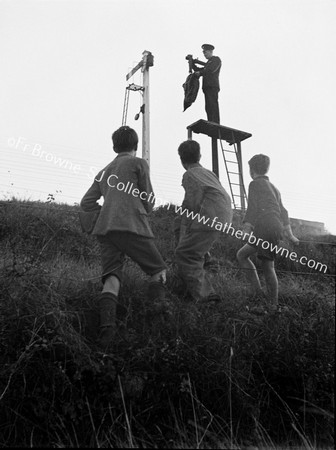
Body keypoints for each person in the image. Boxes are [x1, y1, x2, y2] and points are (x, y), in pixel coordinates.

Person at [80, 126, 167, 349]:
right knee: (158, 271)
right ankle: (157, 329)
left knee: (111, 278)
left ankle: (107, 335)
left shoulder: (104, 171)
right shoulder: (138, 163)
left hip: (106, 231)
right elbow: (148, 199)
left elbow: (86, 203)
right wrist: (144, 208)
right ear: (135, 146)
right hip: (132, 226)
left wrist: (105, 214)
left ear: (114, 146)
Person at [236, 154, 299, 310]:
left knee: (268, 266)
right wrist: (290, 234)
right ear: (266, 168)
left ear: (251, 170)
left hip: (265, 226)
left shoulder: (254, 184)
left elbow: (252, 208)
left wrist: (246, 229)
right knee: (242, 255)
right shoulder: (275, 189)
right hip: (273, 226)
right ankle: (257, 293)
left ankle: (272, 306)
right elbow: (284, 212)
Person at [174, 140, 232, 303]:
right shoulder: (208, 172)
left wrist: (185, 231)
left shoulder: (189, 175)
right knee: (194, 245)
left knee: (185, 254)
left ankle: (207, 296)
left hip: (209, 214)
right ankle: (209, 266)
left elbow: (192, 204)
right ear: (199, 156)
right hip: (224, 214)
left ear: (181, 159)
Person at [193, 44, 221, 123]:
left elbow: (211, 70)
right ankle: (211, 122)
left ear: (210, 51)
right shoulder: (208, 64)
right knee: (208, 106)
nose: (204, 54)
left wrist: (200, 73)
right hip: (207, 87)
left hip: (212, 86)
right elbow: (198, 70)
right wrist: (192, 64)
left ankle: (215, 122)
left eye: (205, 52)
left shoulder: (216, 60)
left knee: (213, 104)